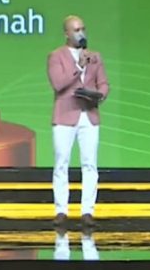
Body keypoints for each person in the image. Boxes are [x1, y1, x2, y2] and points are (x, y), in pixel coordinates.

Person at [47, 15, 110, 229]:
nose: (81, 33)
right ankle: (61, 211)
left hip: (89, 115)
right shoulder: (56, 56)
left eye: (82, 29)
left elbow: (103, 83)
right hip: (65, 115)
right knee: (61, 162)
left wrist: (100, 95)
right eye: (76, 30)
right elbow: (58, 84)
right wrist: (79, 67)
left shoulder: (95, 57)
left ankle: (87, 212)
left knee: (90, 164)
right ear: (66, 33)